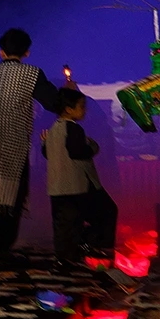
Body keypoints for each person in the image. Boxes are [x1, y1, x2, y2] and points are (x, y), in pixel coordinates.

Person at [0, 28, 64, 259]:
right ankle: (2, 247)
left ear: (1, 52)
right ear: (27, 53)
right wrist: (68, 94)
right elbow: (53, 102)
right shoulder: (32, 73)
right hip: (13, 146)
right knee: (11, 195)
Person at [43, 89, 118, 265]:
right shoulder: (73, 128)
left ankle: (66, 257)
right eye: (82, 106)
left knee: (66, 224)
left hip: (57, 186)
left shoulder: (53, 129)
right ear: (69, 109)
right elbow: (78, 152)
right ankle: (90, 245)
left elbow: (47, 153)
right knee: (107, 212)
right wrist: (93, 146)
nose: (84, 110)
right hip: (78, 184)